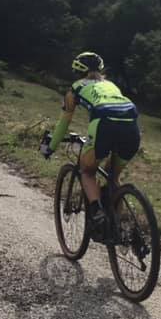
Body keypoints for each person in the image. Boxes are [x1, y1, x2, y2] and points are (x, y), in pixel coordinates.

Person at [40, 51, 140, 237]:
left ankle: (97, 212)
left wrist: (51, 147)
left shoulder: (75, 88)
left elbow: (64, 123)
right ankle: (118, 227)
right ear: (101, 70)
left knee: (87, 171)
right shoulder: (111, 85)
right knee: (113, 176)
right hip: (132, 124)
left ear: (78, 72)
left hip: (104, 123)